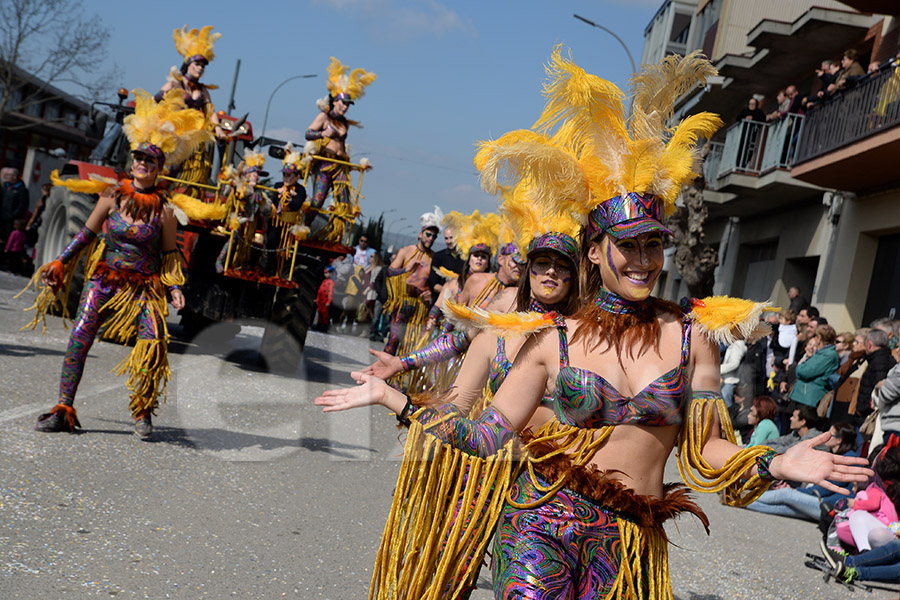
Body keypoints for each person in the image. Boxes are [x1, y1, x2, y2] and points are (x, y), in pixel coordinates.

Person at [315, 49, 871, 597]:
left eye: (652, 245)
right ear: (597, 252)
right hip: (538, 520)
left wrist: (775, 461)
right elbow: (486, 436)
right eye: (626, 246)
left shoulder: (689, 337)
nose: (642, 259)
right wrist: (397, 400)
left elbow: (706, 453)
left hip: (629, 543)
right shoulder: (552, 339)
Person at [21, 90, 215, 438]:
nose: (142, 163)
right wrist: (60, 263)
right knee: (79, 338)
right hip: (105, 281)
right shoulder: (112, 197)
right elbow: (86, 236)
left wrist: (174, 288)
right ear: (132, 160)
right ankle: (63, 408)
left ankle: (142, 413)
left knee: (153, 344)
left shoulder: (166, 211)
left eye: (149, 161)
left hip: (143, 288)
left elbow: (170, 254)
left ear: (159, 168)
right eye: (138, 157)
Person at [304, 57, 375, 227]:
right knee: (318, 200)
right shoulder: (324, 117)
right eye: (343, 103)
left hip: (339, 166)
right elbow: (308, 133)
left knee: (344, 203)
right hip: (324, 165)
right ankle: (304, 227)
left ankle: (334, 235)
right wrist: (323, 134)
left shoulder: (344, 123)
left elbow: (342, 147)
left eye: (348, 105)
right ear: (335, 100)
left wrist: (350, 164)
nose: (345, 107)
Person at [156, 25, 227, 192]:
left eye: (203, 65)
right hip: (172, 136)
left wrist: (218, 129)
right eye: (197, 64)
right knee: (165, 173)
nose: (201, 68)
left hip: (192, 140)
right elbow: (155, 101)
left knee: (193, 174)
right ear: (188, 64)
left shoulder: (203, 90)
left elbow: (210, 111)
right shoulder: (174, 83)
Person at [747, 422, 859, 520]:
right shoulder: (836, 455)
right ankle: (742, 503)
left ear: (839, 440)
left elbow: (823, 489)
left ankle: (743, 497)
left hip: (828, 505)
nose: (826, 435)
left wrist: (796, 491)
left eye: (830, 434)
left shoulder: (848, 460)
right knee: (781, 508)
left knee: (786, 494)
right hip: (823, 503)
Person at [381, 207, 440, 357]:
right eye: (428, 234)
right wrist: (405, 269)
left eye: (434, 236)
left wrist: (431, 293)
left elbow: (436, 282)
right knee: (394, 338)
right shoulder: (406, 251)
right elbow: (389, 272)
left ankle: (396, 379)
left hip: (420, 306)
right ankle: (380, 372)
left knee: (409, 343)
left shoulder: (434, 258)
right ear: (421, 234)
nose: (430, 239)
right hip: (403, 302)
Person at [789, 324, 839, 409]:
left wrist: (799, 369)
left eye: (815, 336)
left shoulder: (828, 355)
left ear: (819, 338)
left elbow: (805, 372)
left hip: (810, 398)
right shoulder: (821, 353)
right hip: (803, 396)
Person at [427, 225, 465, 299]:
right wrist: (450, 294)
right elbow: (433, 283)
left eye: (451, 237)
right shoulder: (438, 256)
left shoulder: (467, 257)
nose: (449, 241)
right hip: (441, 302)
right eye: (446, 238)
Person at [1, 167, 29, 244]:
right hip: (2, 219)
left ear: (14, 176)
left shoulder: (22, 190)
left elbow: (22, 206)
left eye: (8, 174)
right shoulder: (5, 187)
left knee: (8, 241)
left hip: (12, 222)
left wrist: (13, 216)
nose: (6, 176)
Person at [314, 265, 336, 333]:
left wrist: (329, 301)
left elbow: (330, 292)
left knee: (325, 314)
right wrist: (317, 299)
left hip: (325, 300)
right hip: (321, 300)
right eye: (325, 273)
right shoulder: (325, 280)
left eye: (327, 273)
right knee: (320, 312)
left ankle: (325, 325)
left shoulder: (331, 282)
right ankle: (319, 324)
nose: (325, 274)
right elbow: (320, 290)